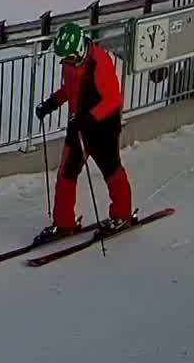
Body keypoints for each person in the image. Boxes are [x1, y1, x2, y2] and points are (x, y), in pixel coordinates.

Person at [33, 22, 135, 240]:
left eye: (68, 57)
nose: (65, 62)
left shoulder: (100, 62)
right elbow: (70, 88)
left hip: (103, 126)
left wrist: (89, 119)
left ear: (78, 50)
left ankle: (122, 214)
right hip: (78, 124)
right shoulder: (70, 63)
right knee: (66, 172)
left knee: (111, 169)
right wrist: (51, 103)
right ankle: (63, 223)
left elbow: (112, 99)